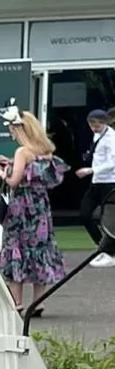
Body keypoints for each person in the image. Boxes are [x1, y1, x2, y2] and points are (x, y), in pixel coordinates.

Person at [0, 109, 66, 310]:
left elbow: (14, 181)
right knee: (39, 248)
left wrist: (0, 171)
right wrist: (12, 163)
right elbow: (33, 172)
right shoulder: (44, 151)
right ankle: (38, 301)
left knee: (15, 247)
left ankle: (17, 301)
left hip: (21, 208)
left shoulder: (22, 152)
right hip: (40, 205)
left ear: (19, 130)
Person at [74, 108, 115, 266]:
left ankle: (109, 252)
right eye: (91, 124)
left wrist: (91, 170)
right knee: (85, 214)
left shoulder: (111, 138)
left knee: (109, 218)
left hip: (109, 182)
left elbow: (112, 163)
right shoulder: (97, 134)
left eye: (97, 125)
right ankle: (104, 248)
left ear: (104, 123)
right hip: (96, 182)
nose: (94, 128)